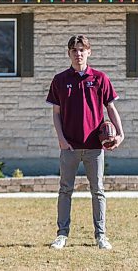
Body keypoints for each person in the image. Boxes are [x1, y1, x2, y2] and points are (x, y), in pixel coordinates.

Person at [46, 34, 125, 250]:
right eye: (74, 50)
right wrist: (61, 139)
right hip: (69, 146)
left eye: (82, 50)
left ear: (89, 52)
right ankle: (62, 235)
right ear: (69, 53)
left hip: (94, 147)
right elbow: (56, 113)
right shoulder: (60, 80)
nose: (78, 54)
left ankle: (101, 236)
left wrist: (120, 133)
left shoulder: (100, 78)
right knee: (65, 190)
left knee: (98, 190)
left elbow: (110, 108)